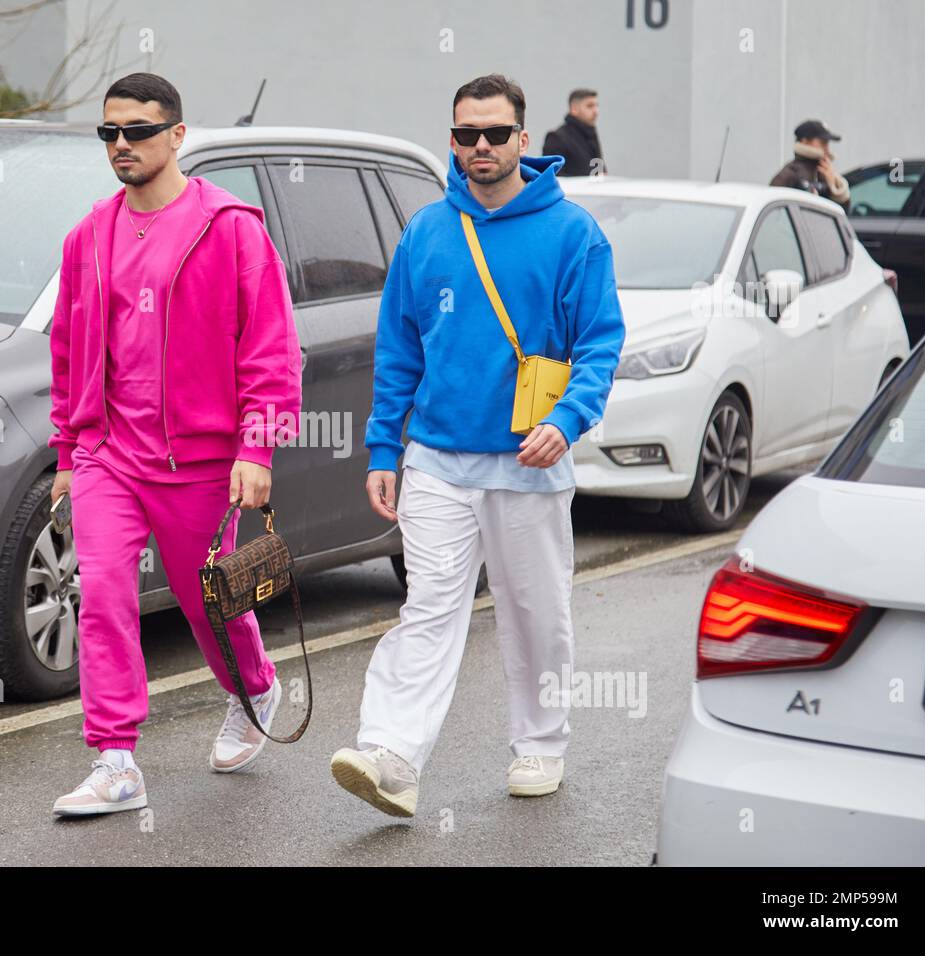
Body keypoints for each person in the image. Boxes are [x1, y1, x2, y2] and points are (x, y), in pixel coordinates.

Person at [330, 74, 625, 818]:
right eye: (466, 135)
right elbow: (399, 350)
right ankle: (393, 755)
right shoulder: (427, 231)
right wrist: (381, 451)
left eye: (496, 134)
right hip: (436, 457)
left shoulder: (572, 234)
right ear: (453, 140)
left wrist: (569, 419)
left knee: (535, 612)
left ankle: (541, 743)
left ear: (525, 140)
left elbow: (600, 344)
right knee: (429, 604)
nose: (481, 147)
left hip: (531, 460)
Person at [47, 72, 302, 816]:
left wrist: (256, 447)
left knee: (206, 602)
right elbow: (66, 351)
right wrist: (68, 453)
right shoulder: (88, 235)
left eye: (138, 131)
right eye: (109, 133)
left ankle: (254, 686)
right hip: (107, 454)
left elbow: (270, 347)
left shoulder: (229, 228)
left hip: (200, 458)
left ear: (178, 136)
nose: (121, 145)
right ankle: (116, 758)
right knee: (102, 595)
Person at [769, 119, 851, 212]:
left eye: (827, 143)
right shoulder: (789, 174)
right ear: (804, 141)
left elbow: (843, 212)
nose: (826, 148)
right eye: (823, 142)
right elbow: (773, 212)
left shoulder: (825, 173)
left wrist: (834, 184)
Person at [542, 88, 605, 177]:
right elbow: (554, 177)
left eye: (596, 105)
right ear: (574, 109)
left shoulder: (591, 135)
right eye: (590, 106)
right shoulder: (556, 138)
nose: (596, 111)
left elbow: (599, 170)